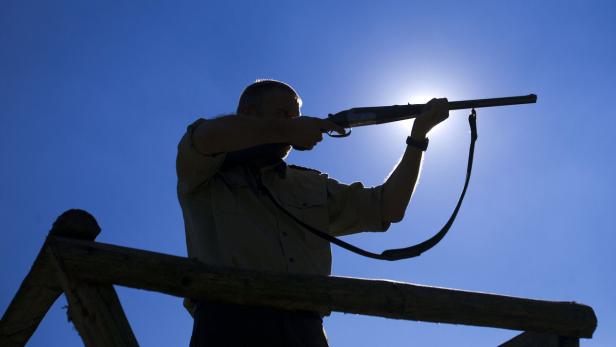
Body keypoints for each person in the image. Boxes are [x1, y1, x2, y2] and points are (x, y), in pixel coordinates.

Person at [176, 79, 448, 346]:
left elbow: (388, 207)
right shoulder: (205, 169)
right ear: (248, 113)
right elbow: (209, 136)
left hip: (305, 330)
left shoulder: (309, 184)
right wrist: (287, 130)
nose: (292, 124)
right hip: (228, 324)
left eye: (296, 117)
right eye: (283, 114)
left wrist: (418, 137)